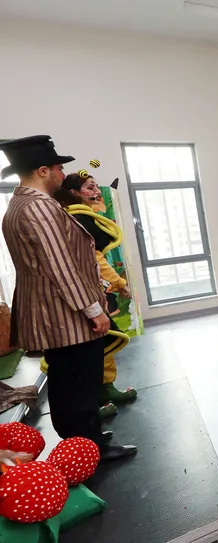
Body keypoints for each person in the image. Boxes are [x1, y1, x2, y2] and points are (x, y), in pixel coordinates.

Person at [0, 135, 135, 462]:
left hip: (53, 310)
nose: (63, 174)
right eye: (59, 168)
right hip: (65, 314)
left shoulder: (19, 204)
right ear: (43, 171)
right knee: (80, 383)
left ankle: (81, 442)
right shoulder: (39, 207)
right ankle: (90, 450)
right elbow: (61, 266)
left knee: (67, 380)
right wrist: (94, 310)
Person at [53, 173, 138, 407]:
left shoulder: (84, 217)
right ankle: (93, 401)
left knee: (103, 341)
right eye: (90, 187)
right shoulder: (78, 219)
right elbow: (95, 258)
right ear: (75, 193)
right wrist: (120, 283)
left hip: (93, 292)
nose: (98, 191)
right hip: (80, 297)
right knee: (90, 348)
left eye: (96, 186)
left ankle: (107, 389)